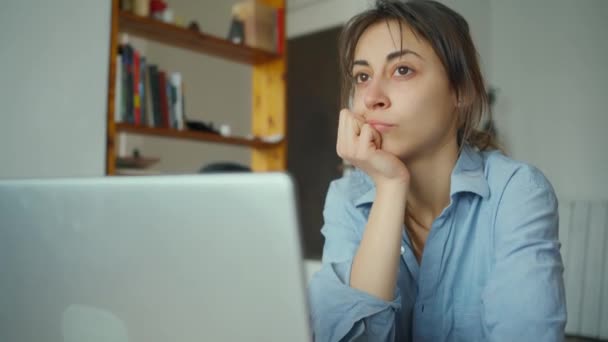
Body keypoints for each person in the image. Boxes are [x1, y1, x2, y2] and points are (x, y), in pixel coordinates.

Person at [307, 0, 567, 341]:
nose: (372, 97)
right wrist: (389, 185)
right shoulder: (346, 199)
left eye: (402, 70)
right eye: (362, 76)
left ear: (461, 90)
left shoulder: (516, 192)